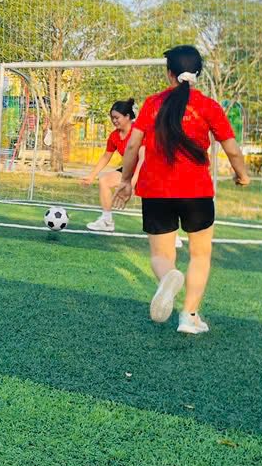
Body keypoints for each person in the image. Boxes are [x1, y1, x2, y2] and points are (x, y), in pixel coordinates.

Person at [114, 46, 250, 334]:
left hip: (156, 191)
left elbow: (133, 145)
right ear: (198, 73)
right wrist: (242, 175)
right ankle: (189, 316)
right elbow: (232, 150)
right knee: (200, 255)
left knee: (161, 257)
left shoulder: (152, 104)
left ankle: (168, 279)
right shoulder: (209, 106)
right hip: (196, 193)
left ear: (169, 73)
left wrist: (125, 180)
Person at [81, 99, 140, 232]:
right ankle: (107, 221)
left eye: (117, 117)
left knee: (158, 202)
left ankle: (171, 235)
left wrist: (133, 183)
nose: (114, 121)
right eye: (112, 118)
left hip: (148, 170)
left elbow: (144, 157)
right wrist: (92, 175)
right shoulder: (114, 136)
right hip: (129, 170)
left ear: (127, 116)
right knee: (104, 180)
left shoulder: (139, 131)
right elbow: (106, 156)